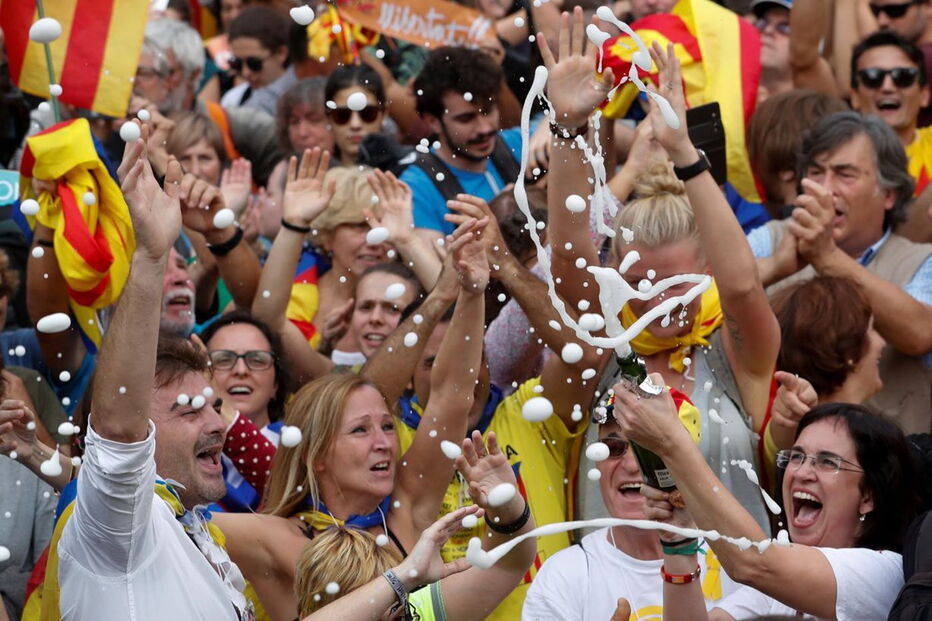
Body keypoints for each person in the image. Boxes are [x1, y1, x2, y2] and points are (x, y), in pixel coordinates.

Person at [212, 180, 491, 620]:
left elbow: (451, 397)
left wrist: (472, 296)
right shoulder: (271, 536)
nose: (384, 441)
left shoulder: (408, 509)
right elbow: (160, 521)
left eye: (385, 425)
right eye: (361, 430)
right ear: (318, 454)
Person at [543, 16, 780, 529]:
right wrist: (566, 130)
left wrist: (683, 153)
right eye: (639, 284)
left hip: (733, 600)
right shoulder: (605, 347)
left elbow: (742, 286)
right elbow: (566, 263)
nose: (657, 301)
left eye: (676, 285)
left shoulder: (737, 352)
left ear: (707, 268)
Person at [16, 125, 256, 619]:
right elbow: (118, 437)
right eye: (187, 412)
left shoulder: (198, 531)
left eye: (213, 406)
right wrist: (148, 256)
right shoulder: (119, 530)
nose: (218, 424)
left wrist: (398, 584)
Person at [616, 382, 921, 620]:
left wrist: (672, 442)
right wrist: (679, 544)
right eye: (797, 456)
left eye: (827, 462)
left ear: (868, 496)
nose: (802, 472)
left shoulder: (884, 572)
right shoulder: (776, 587)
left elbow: (752, 562)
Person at [749, 111, 932, 433]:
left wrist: (827, 258)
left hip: (894, 470)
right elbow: (709, 297)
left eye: (844, 175)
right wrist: (775, 267)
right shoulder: (773, 237)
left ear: (888, 193)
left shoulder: (923, 260)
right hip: (785, 464)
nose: (826, 189)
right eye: (816, 173)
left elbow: (919, 333)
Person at [523, 407, 739, 619]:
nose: (632, 465)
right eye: (614, 447)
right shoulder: (563, 576)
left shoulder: (740, 561)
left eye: (649, 448)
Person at [296, 432, 536, 620]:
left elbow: (507, 565)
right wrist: (402, 576)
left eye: (395, 613)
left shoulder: (412, 617)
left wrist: (506, 505)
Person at [133, 18, 280, 185]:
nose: (137, 82)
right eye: (135, 71)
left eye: (148, 72)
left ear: (194, 74)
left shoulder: (234, 124)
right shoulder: (126, 126)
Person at [402, 46, 523, 243]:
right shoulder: (417, 189)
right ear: (433, 121)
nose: (484, 128)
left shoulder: (517, 143)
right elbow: (437, 272)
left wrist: (554, 126)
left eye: (488, 111)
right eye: (466, 119)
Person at [224, 6, 295, 116]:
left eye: (254, 63)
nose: (245, 72)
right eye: (236, 63)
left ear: (281, 53)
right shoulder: (233, 98)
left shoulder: (305, 97)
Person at [324, 65, 387, 168]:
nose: (355, 124)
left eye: (367, 113)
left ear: (384, 113)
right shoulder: (313, 180)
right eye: (342, 115)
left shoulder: (409, 175)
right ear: (328, 117)